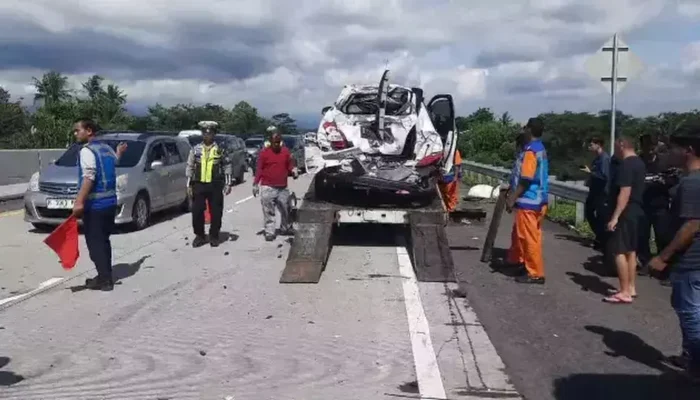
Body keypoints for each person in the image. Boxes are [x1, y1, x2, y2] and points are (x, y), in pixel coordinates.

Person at [649, 131, 700, 382]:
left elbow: (691, 225)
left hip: (691, 261)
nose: (670, 153)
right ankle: (689, 355)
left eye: (673, 148)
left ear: (688, 150)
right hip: (691, 262)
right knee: (689, 309)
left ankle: (696, 366)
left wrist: (663, 257)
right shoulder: (689, 180)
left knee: (690, 313)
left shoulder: (692, 183)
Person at [71, 118, 127, 291]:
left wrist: (79, 201)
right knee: (103, 241)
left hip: (96, 205)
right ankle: (106, 274)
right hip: (110, 203)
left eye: (77, 130)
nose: (75, 134)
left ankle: (104, 280)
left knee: (95, 243)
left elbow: (89, 176)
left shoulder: (87, 151)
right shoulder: (106, 149)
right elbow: (112, 164)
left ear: (89, 131)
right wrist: (119, 153)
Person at [505, 118, 549, 285]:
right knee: (526, 236)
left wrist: (512, 197)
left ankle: (535, 273)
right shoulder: (540, 149)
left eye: (525, 128)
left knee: (529, 238)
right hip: (539, 200)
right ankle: (525, 264)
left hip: (529, 200)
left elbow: (526, 179)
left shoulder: (531, 151)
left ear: (529, 130)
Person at [603, 136, 646, 304]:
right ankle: (631, 287)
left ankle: (624, 291)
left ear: (622, 144)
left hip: (626, 212)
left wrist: (615, 217)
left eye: (616, 146)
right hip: (637, 210)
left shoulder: (626, 165)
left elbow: (624, 193)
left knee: (619, 250)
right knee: (631, 251)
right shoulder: (639, 163)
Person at [186, 121, 233, 248]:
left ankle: (214, 236)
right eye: (205, 133)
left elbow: (227, 165)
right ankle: (200, 235)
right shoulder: (196, 149)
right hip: (199, 184)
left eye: (210, 133)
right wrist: (188, 185)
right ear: (202, 134)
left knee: (216, 211)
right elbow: (190, 166)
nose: (207, 136)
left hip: (215, 184)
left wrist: (228, 183)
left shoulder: (220, 149)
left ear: (214, 134)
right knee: (197, 211)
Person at [638, 134, 674, 281]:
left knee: (663, 237)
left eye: (653, 147)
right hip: (643, 205)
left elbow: (673, 180)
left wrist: (662, 181)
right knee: (642, 237)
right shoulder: (638, 163)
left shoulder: (664, 162)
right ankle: (646, 265)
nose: (651, 150)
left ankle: (665, 269)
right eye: (648, 147)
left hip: (660, 205)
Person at [253, 132, 298, 241]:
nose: (276, 145)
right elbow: (259, 169)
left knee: (286, 209)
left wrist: (293, 170)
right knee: (269, 210)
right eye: (274, 142)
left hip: (282, 187)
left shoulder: (285, 152)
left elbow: (289, 165)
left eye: (278, 142)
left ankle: (285, 227)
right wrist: (255, 184)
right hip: (268, 186)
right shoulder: (264, 153)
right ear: (270, 142)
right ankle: (269, 231)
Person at [582, 136, 611, 250]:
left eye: (591, 144)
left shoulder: (604, 158)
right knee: (589, 213)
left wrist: (590, 172)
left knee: (600, 217)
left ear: (598, 144)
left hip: (601, 193)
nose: (590, 147)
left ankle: (602, 240)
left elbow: (604, 176)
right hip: (594, 191)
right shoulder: (597, 159)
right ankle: (600, 237)